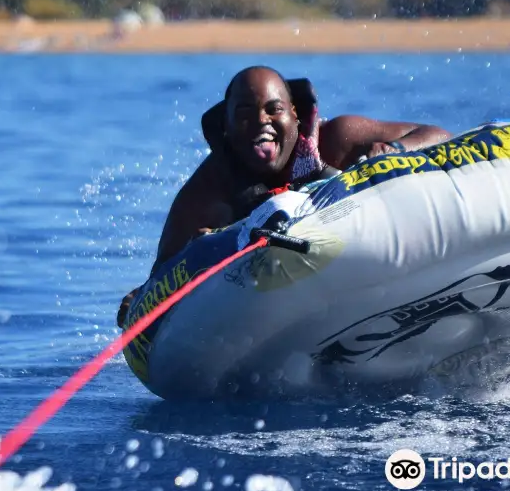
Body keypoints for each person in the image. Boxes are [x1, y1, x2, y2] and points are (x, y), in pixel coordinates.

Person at [117, 66, 451, 326]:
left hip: (382, 256)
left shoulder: (336, 139)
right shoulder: (210, 190)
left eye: (273, 109)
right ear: (227, 127)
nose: (261, 121)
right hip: (281, 299)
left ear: (294, 113)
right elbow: (162, 274)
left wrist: (394, 149)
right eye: (244, 114)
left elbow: (439, 135)